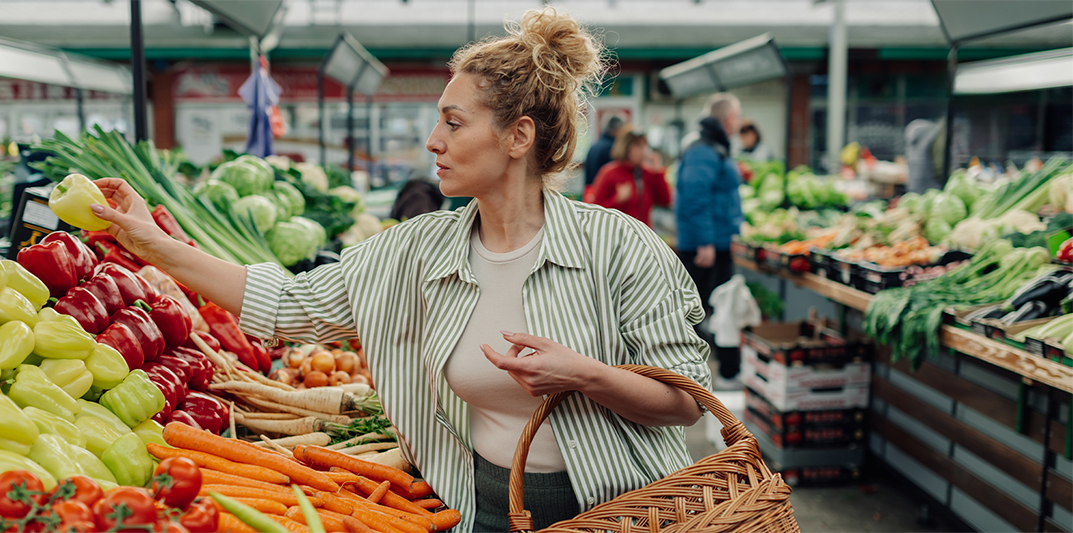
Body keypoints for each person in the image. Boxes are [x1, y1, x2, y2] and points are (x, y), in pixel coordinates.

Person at [91, 7, 710, 532]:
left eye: (453, 122)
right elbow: (287, 306)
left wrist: (585, 375)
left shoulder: (621, 247)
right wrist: (154, 241)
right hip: (482, 506)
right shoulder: (415, 250)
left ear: (519, 136)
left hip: (625, 508)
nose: (432, 140)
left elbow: (687, 403)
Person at [676, 93, 744, 389]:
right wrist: (705, 242)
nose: (739, 123)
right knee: (700, 311)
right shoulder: (703, 150)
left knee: (718, 308)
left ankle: (717, 375)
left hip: (717, 242)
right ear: (728, 119)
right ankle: (694, 378)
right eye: (737, 117)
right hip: (707, 247)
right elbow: (695, 195)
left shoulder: (713, 147)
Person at [588, 127, 671, 228]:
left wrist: (658, 172)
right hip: (618, 236)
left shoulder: (646, 173)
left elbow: (665, 200)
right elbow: (594, 211)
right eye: (638, 146)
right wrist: (617, 200)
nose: (643, 151)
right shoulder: (609, 172)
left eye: (644, 146)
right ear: (626, 148)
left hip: (643, 235)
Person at [583, 115, 623, 187]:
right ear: (617, 129)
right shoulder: (612, 149)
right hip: (602, 191)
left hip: (590, 192)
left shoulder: (594, 146)